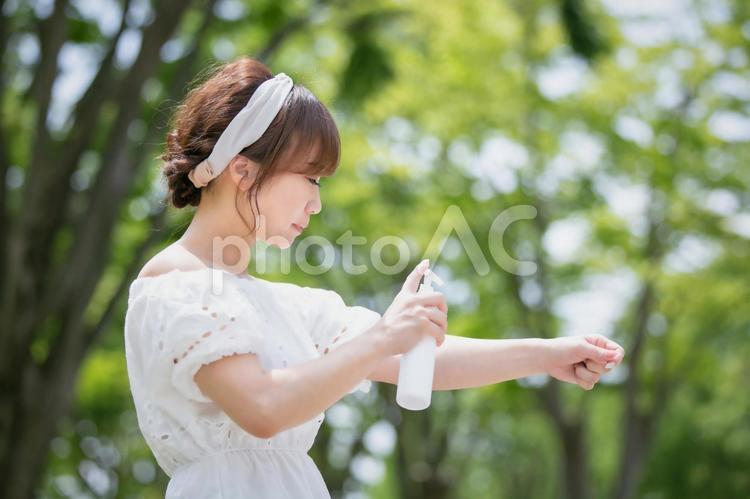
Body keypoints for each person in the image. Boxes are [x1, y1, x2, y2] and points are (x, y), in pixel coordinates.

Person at [123, 56, 625, 498]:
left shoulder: (287, 306)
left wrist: (548, 353)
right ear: (243, 169)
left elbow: (419, 359)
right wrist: (387, 332)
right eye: (311, 178)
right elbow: (264, 407)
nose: (316, 203)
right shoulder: (175, 284)